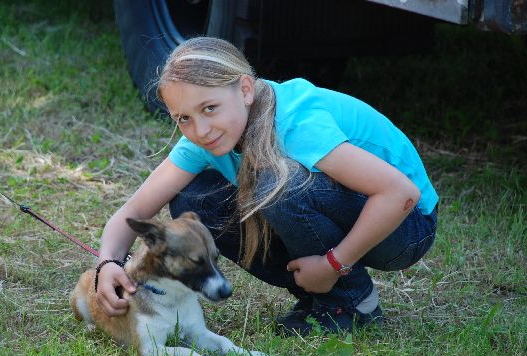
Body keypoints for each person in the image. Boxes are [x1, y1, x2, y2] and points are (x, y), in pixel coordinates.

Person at [94, 37, 438, 336]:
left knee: (276, 185)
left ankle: (349, 302)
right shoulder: (205, 139)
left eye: (209, 108)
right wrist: (108, 264)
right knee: (193, 201)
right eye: (183, 118)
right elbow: (134, 211)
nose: (200, 129)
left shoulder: (296, 122)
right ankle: (315, 294)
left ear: (245, 89)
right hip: (365, 216)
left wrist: (333, 264)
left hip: (405, 228)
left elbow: (401, 194)